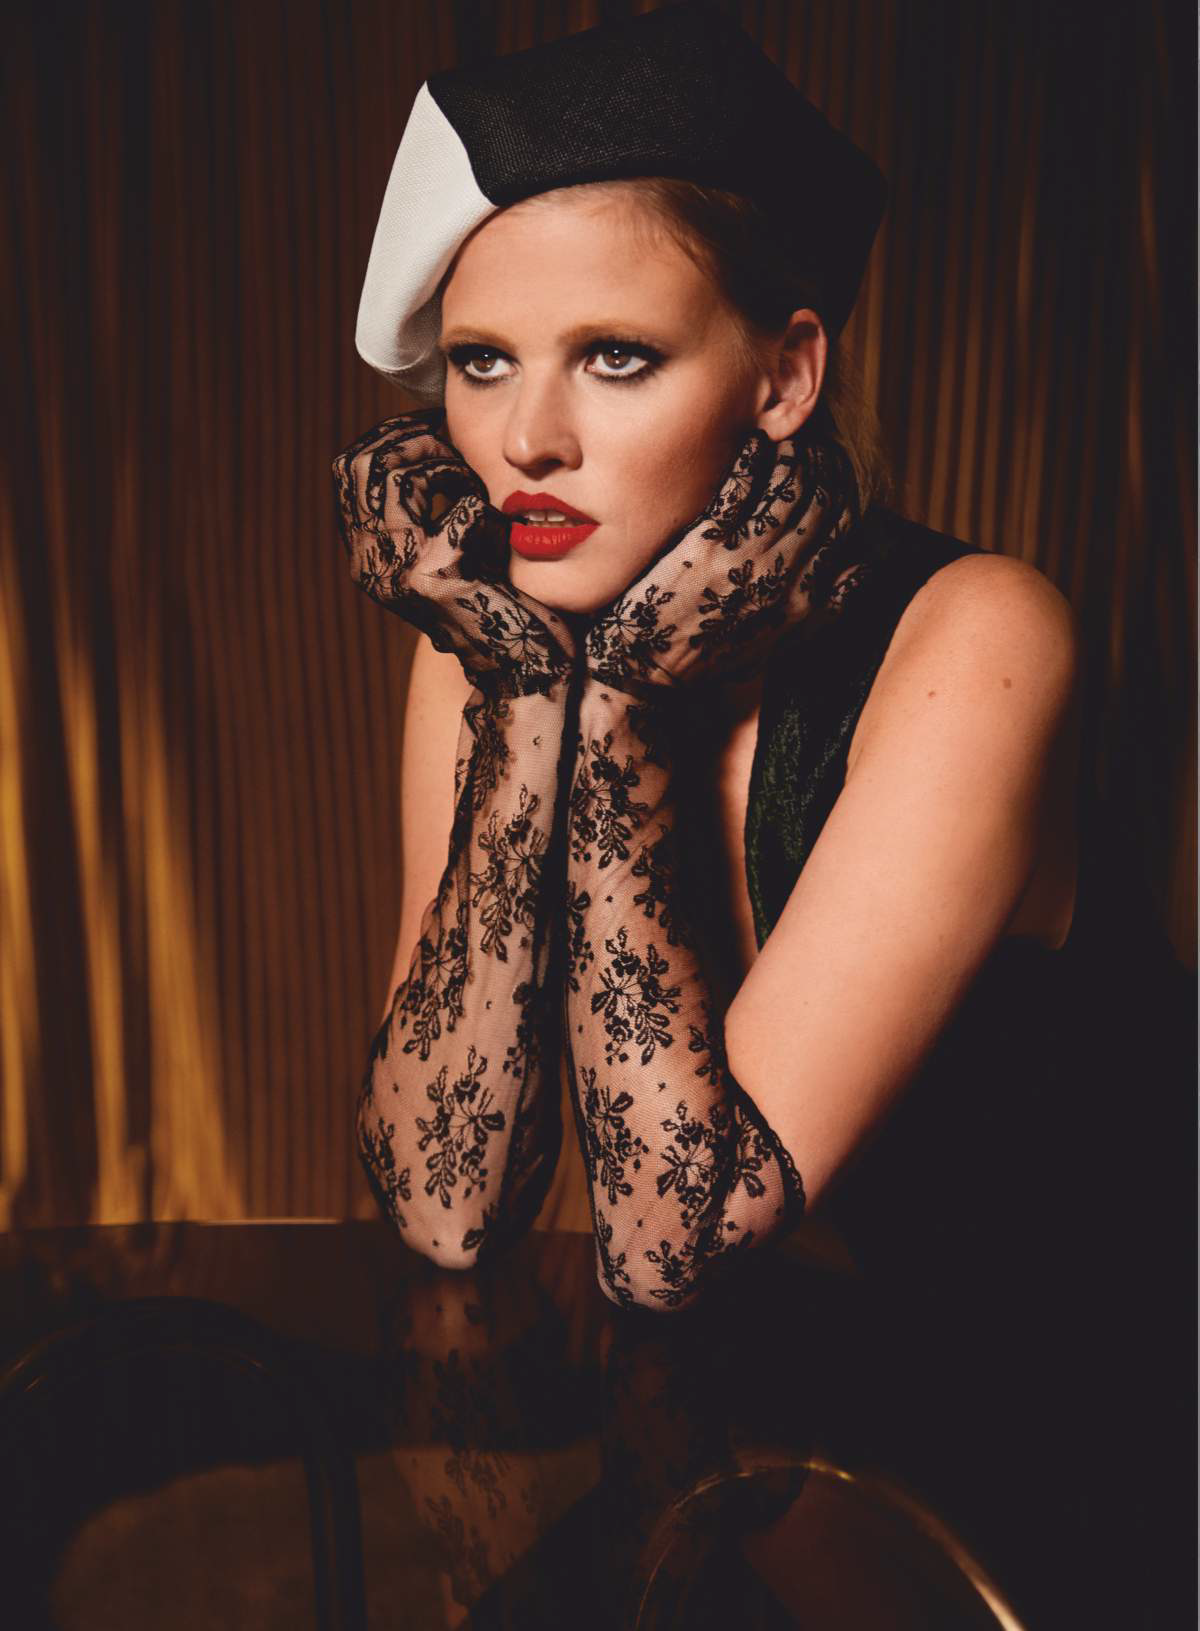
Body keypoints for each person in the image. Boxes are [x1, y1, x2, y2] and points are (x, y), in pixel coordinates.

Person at [334, 8, 1193, 1618]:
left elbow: (668, 1237)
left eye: (616, 356)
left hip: (1115, 1430)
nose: (526, 439)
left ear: (785, 374)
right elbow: (447, 1207)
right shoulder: (499, 647)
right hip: (806, 1424)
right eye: (481, 360)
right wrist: (535, 693)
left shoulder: (977, 637)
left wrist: (615, 701)